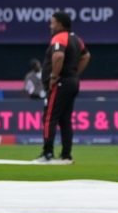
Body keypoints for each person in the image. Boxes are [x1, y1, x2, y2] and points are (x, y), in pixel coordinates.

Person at [36, 11, 90, 164]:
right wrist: (75, 72)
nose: (50, 25)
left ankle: (47, 153)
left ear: (59, 23)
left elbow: (58, 56)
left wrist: (54, 76)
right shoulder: (76, 39)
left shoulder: (59, 37)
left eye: (52, 22)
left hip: (60, 82)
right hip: (72, 81)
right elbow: (86, 56)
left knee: (49, 118)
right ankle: (66, 155)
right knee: (65, 120)